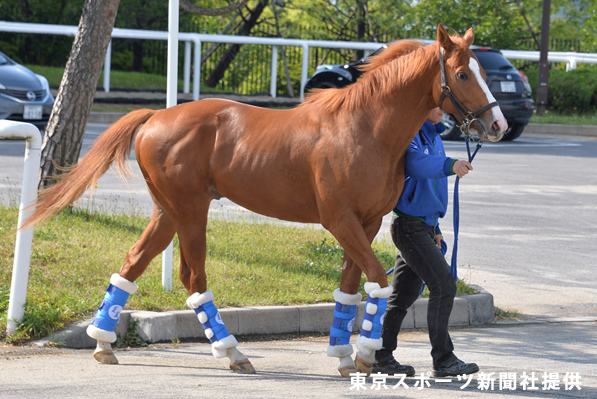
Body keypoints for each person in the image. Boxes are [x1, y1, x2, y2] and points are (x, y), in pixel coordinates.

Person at [373, 107, 479, 378]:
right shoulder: (410, 136)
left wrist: (437, 227)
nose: (441, 110)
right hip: (408, 227)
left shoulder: (435, 138)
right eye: (436, 105)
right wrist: (450, 165)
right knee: (444, 284)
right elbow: (415, 164)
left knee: (404, 295)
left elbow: (431, 189)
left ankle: (381, 356)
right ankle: (443, 360)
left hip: (425, 227)